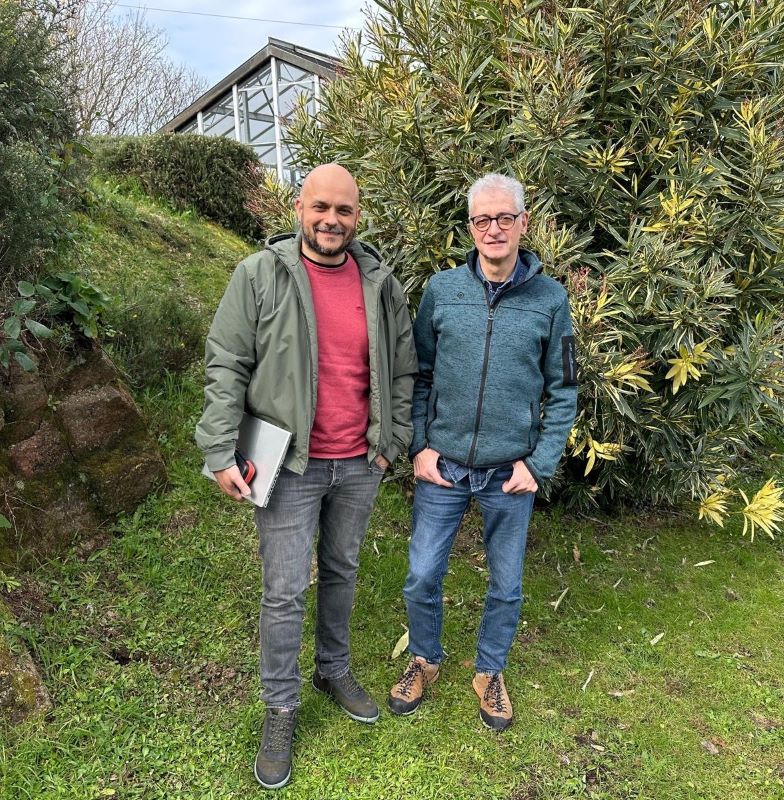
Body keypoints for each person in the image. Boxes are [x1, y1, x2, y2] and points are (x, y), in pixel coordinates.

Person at [196, 163, 417, 789]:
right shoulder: (258, 275)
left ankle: (332, 669)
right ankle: (281, 706)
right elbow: (227, 364)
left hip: (359, 462)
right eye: (321, 207)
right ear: (299, 208)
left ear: (358, 215)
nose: (331, 220)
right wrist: (220, 451)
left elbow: (404, 369)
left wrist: (391, 443)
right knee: (285, 590)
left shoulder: (380, 284)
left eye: (344, 210)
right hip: (288, 464)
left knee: (342, 570)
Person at [388, 173, 577, 731]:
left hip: (508, 473)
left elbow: (564, 388)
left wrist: (538, 463)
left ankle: (490, 670)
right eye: (481, 220)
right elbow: (418, 375)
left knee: (507, 584)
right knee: (422, 574)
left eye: (504, 218)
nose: (493, 229)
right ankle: (424, 658)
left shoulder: (551, 299)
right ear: (470, 227)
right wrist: (420, 446)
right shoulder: (441, 290)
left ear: (523, 222)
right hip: (442, 465)